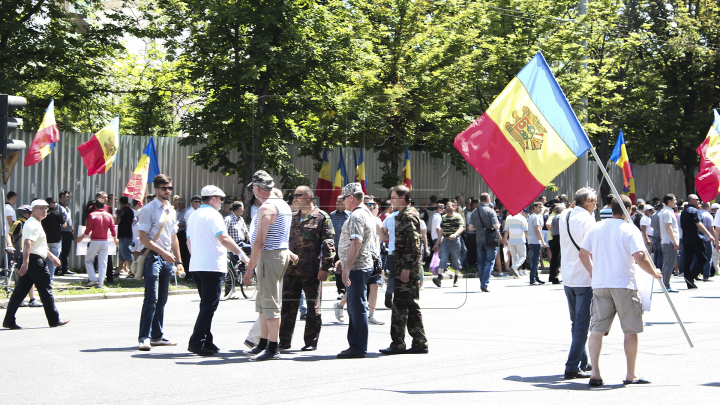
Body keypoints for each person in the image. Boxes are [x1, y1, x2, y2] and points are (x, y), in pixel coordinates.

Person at [579, 195, 662, 386]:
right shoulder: (629, 229)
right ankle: (630, 374)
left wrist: (594, 273)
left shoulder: (597, 227)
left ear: (610, 208)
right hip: (624, 284)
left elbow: (583, 254)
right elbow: (640, 257)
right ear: (629, 210)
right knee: (630, 330)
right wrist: (654, 273)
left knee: (597, 330)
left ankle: (595, 373)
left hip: (601, 284)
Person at [186, 185, 246, 356]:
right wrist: (242, 255)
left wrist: (197, 256)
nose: (222, 203)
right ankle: (196, 341)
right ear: (213, 199)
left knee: (206, 305)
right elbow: (224, 238)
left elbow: (189, 242)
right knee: (209, 306)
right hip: (211, 266)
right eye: (220, 199)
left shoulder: (194, 214)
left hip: (197, 265)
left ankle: (207, 340)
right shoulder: (214, 215)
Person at [242, 171, 294, 361]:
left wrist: (249, 269)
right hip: (279, 254)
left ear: (257, 188)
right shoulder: (282, 204)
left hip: (270, 255)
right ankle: (264, 343)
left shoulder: (267, 208)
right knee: (264, 302)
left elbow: (259, 242)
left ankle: (273, 347)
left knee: (270, 303)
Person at [279, 186, 335, 351]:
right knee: (288, 307)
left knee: (313, 308)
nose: (294, 198)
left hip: (312, 271)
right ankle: (284, 341)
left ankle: (310, 342)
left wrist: (325, 267)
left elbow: (328, 244)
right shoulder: (291, 216)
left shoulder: (322, 217)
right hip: (290, 270)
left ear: (309, 196)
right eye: (293, 195)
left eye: (298, 195)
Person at [2, 199, 70, 329]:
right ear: (33, 210)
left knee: (20, 291)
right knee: (46, 289)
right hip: (33, 261)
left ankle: (9, 321)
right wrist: (26, 263)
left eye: (46, 208)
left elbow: (38, 245)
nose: (45, 211)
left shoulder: (34, 223)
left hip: (30, 259)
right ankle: (54, 319)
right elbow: (28, 243)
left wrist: (51, 256)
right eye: (41, 208)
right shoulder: (33, 224)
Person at [137, 174, 183, 351]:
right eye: (164, 188)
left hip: (167, 259)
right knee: (151, 298)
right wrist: (164, 253)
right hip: (152, 257)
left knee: (162, 299)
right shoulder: (148, 209)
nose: (167, 191)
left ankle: (157, 336)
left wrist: (178, 261)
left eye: (170, 188)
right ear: (155, 190)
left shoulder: (171, 210)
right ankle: (144, 337)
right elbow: (143, 238)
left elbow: (174, 239)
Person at [380, 185, 427, 355]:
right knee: (411, 304)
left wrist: (407, 267)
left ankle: (398, 343)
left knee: (400, 305)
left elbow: (414, 244)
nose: (390, 200)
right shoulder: (401, 215)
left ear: (402, 197)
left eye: (393, 197)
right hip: (403, 265)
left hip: (406, 267)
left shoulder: (407, 216)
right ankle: (419, 342)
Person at [558, 187, 597, 379]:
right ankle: (572, 366)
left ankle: (583, 361)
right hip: (584, 276)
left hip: (568, 275)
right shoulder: (587, 220)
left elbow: (572, 206)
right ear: (588, 200)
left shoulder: (565, 214)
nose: (596, 205)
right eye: (595, 202)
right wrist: (595, 274)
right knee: (582, 324)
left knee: (576, 322)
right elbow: (590, 250)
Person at [334, 183, 375, 359]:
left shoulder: (357, 214)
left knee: (356, 307)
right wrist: (343, 261)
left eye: (344, 198)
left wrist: (347, 267)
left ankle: (357, 347)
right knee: (355, 306)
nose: (343, 201)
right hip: (359, 265)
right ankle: (356, 345)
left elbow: (356, 241)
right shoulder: (365, 211)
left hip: (357, 267)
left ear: (351, 197)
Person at [77, 199, 118, 288]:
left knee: (88, 261)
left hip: (95, 241)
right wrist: (115, 239)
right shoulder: (109, 215)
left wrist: (81, 238)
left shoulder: (92, 215)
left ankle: (93, 279)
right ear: (104, 205)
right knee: (103, 263)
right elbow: (113, 228)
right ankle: (100, 283)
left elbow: (88, 229)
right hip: (104, 241)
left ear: (95, 206)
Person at [7, 205, 42, 307]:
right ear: (26, 214)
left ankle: (31, 299)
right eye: (31, 213)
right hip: (20, 253)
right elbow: (9, 234)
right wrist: (9, 245)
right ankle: (25, 299)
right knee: (20, 277)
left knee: (28, 277)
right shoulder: (19, 223)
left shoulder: (31, 223)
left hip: (30, 253)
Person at [680, 194, 715, 289]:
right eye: (697, 199)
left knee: (688, 259)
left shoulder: (684, 211)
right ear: (692, 200)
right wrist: (709, 234)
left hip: (686, 238)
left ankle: (688, 280)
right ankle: (691, 277)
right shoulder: (694, 210)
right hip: (696, 237)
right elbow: (698, 223)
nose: (699, 201)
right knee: (703, 258)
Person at [432, 200, 464, 288]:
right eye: (446, 206)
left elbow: (462, 227)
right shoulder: (444, 217)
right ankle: (439, 278)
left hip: (455, 241)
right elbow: (441, 230)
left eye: (449, 206)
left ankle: (456, 279)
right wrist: (437, 243)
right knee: (443, 259)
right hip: (445, 241)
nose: (447, 207)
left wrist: (455, 234)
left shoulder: (458, 216)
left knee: (456, 259)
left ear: (454, 207)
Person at [329, 196, 350, 299]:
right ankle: (341, 291)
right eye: (336, 201)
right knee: (338, 270)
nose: (337, 203)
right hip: (336, 247)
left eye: (340, 202)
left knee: (348, 268)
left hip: (347, 248)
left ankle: (348, 290)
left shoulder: (350, 215)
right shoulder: (332, 215)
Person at [659, 194, 680, 292]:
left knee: (666, 263)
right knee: (669, 264)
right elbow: (668, 227)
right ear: (669, 201)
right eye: (674, 200)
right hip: (669, 241)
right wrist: (674, 241)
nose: (676, 202)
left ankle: (665, 284)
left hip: (666, 241)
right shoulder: (667, 212)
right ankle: (666, 285)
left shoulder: (664, 211)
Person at [41, 197, 65, 283]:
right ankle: (49, 279)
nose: (55, 204)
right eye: (54, 202)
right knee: (53, 261)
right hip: (56, 240)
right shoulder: (56, 212)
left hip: (45, 241)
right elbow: (64, 225)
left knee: (45, 261)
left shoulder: (43, 214)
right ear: (50, 204)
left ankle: (44, 279)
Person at [503, 208, 528, 278]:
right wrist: (529, 239)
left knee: (514, 256)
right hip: (520, 240)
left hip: (511, 240)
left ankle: (515, 274)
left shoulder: (508, 218)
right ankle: (515, 267)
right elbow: (526, 231)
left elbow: (506, 231)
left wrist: (505, 239)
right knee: (523, 256)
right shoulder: (522, 218)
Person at [527, 202, 547, 285]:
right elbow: (537, 230)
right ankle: (533, 279)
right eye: (539, 207)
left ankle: (536, 277)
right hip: (535, 241)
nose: (541, 209)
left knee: (534, 260)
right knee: (535, 261)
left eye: (541, 207)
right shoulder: (535, 217)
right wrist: (543, 241)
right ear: (534, 207)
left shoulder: (533, 216)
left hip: (532, 241)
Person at [115, 196, 135, 276]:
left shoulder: (122, 211)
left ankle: (133, 271)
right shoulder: (131, 211)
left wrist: (117, 216)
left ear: (120, 203)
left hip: (122, 234)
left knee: (127, 253)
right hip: (129, 233)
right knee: (122, 254)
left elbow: (117, 222)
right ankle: (118, 270)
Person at [57, 191, 75, 275]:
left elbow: (69, 219)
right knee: (60, 251)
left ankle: (65, 268)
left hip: (68, 231)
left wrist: (72, 229)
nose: (68, 198)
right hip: (61, 231)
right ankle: (57, 269)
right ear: (62, 196)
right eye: (66, 196)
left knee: (66, 251)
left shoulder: (67, 207)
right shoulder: (58, 207)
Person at [547, 204, 564, 284]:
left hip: (555, 237)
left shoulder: (555, 217)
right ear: (560, 210)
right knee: (558, 258)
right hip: (559, 237)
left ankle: (553, 276)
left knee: (555, 258)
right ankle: (555, 277)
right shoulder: (560, 217)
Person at [650, 203, 664, 269]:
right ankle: (660, 269)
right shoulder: (661, 215)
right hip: (659, 235)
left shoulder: (653, 214)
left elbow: (651, 225)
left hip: (654, 235)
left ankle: (655, 267)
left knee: (656, 254)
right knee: (660, 254)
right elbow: (662, 227)